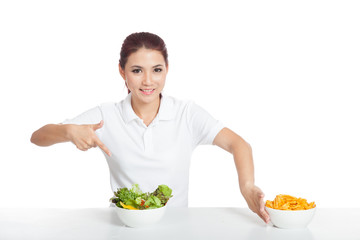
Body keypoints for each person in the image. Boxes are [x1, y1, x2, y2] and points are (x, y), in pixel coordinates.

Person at [30, 32, 270, 223]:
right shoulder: (107, 115)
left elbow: (238, 144)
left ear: (166, 69)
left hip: (176, 227)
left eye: (157, 70)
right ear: (121, 71)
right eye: (137, 71)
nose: (148, 81)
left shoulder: (186, 113)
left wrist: (246, 186)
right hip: (123, 226)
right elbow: (37, 137)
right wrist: (68, 131)